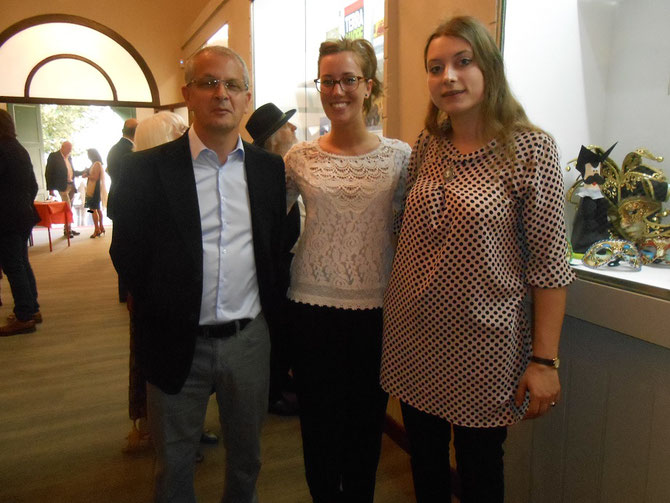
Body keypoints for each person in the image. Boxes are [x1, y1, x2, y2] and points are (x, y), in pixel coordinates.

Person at [380, 17, 576, 502]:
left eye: (462, 62)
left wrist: (544, 360)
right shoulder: (428, 145)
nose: (448, 76)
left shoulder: (530, 148)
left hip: (484, 344)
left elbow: (551, 264)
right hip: (414, 335)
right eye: (436, 67)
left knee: (480, 466)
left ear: (489, 67)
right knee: (424, 461)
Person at [110, 46, 290, 503]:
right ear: (188, 94)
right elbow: (126, 252)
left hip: (248, 341)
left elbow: (274, 251)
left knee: (247, 458)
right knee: (173, 466)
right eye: (209, 82)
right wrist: (159, 309)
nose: (221, 94)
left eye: (232, 85)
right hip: (175, 340)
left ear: (246, 97)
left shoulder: (270, 172)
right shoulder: (144, 170)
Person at [284, 38, 410, 502]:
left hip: (376, 312)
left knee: (364, 431)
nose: (337, 90)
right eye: (328, 81)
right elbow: (268, 230)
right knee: (317, 431)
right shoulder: (299, 158)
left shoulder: (400, 157)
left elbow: (409, 233)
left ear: (369, 85)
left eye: (348, 79)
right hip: (310, 311)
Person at [245, 102, 300, 417]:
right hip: (271, 268)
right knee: (275, 328)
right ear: (271, 137)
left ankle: (280, 380)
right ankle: (271, 391)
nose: (292, 129)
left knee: (284, 328)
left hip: (287, 265)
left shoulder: (283, 168)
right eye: (285, 125)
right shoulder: (264, 175)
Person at [0, 109, 41, 336]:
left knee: (13, 266)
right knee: (21, 262)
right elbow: (33, 186)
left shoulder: (1, 150)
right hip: (23, 214)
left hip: (7, 217)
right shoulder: (19, 149)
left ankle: (24, 315)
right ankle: (32, 309)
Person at [107, 118, 138, 302]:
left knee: (123, 244)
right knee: (125, 246)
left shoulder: (117, 148)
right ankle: (126, 292)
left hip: (117, 200)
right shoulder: (127, 151)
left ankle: (124, 292)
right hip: (124, 202)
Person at [45, 140, 82, 238]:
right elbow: (49, 172)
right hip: (63, 186)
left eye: (71, 149)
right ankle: (68, 230)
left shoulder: (69, 158)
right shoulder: (54, 156)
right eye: (68, 149)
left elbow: (72, 172)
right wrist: (50, 188)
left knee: (70, 208)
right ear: (63, 147)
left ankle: (67, 228)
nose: (70, 151)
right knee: (67, 208)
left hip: (71, 186)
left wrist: (82, 173)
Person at [82, 148, 106, 238]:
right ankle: (101, 226)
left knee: (92, 209)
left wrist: (87, 176)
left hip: (94, 189)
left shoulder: (96, 164)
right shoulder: (97, 164)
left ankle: (97, 229)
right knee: (97, 208)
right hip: (96, 189)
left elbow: (95, 177)